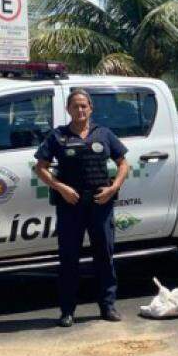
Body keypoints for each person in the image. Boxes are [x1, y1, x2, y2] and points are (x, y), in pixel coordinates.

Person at [34, 89, 130, 326]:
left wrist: (113, 188)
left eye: (84, 106)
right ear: (68, 109)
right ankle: (67, 311)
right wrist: (61, 188)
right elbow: (41, 167)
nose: (80, 110)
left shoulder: (104, 134)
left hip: (100, 202)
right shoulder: (58, 136)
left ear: (91, 108)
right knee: (69, 259)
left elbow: (123, 163)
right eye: (75, 106)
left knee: (104, 256)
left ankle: (108, 306)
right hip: (71, 205)